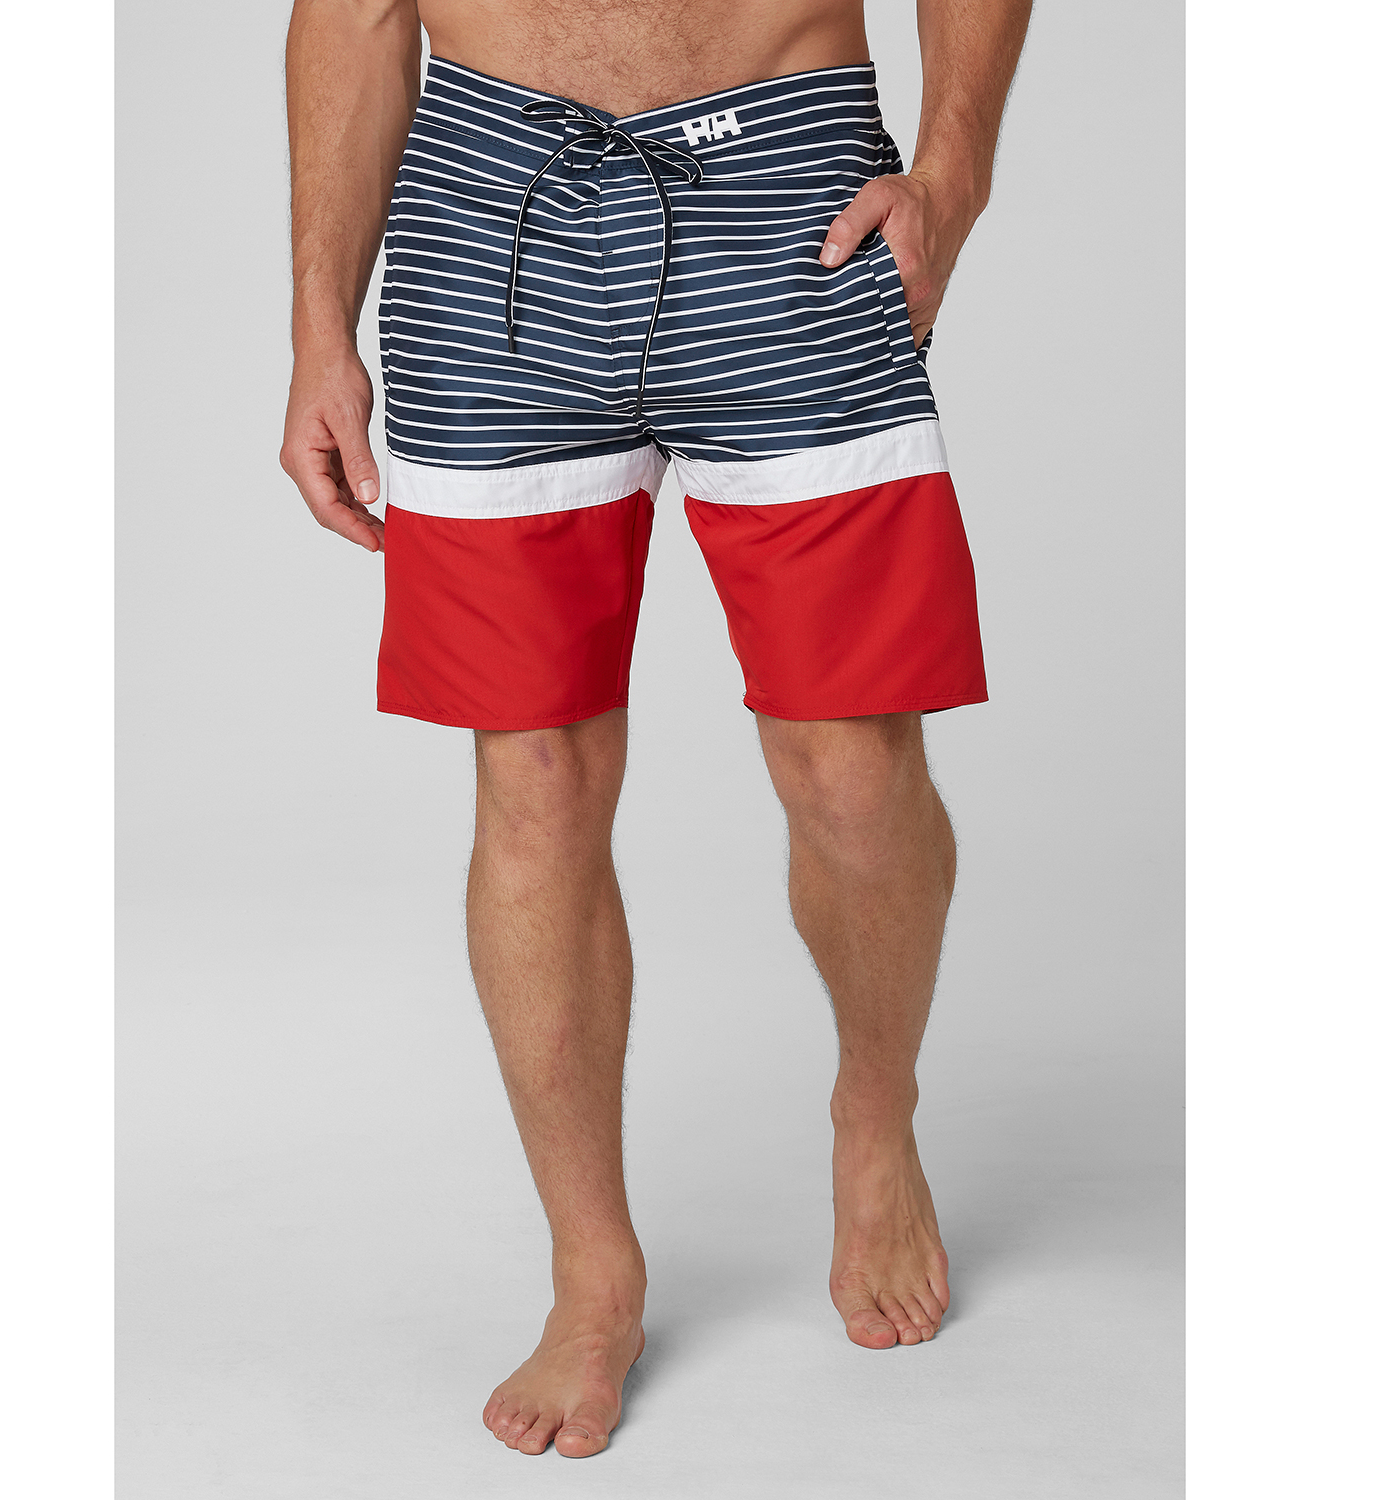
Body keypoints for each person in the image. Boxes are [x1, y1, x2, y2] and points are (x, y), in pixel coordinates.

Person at [281, 0, 1032, 1459]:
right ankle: (593, 1269)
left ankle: (876, 1113)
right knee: (535, 774)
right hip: (488, 213)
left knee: (853, 768)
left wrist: (951, 173)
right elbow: (354, 9)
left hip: (791, 195)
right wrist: (321, 322)